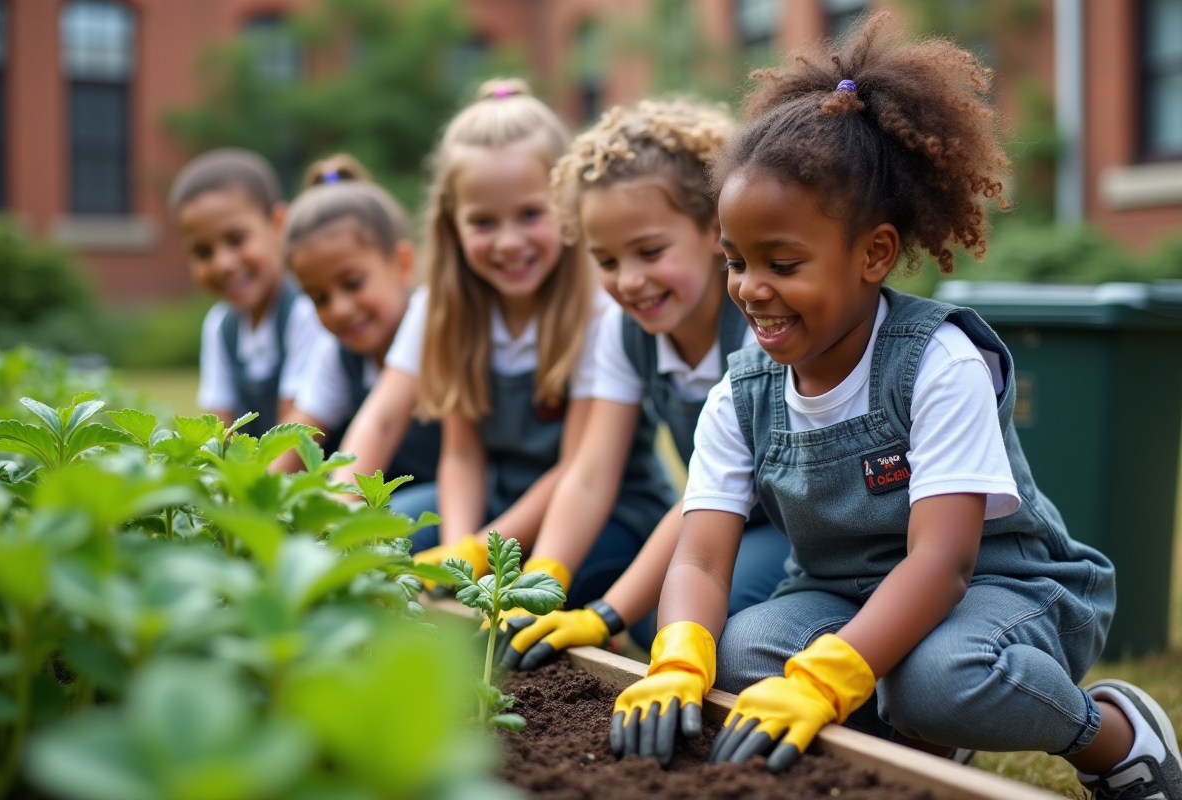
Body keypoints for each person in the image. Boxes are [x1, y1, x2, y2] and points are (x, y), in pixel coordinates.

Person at [609, 14, 1182, 800]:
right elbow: (703, 556)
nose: (749, 288)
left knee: (941, 680)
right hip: (842, 589)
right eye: (736, 261)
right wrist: (676, 658)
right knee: (740, 655)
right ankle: (922, 748)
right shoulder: (742, 392)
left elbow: (942, 564)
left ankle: (1112, 735)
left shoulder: (937, 362)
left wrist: (828, 675)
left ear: (874, 253)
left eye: (783, 262)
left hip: (1001, 587)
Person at [496, 98, 791, 667]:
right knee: (655, 612)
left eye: (650, 252)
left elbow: (705, 490)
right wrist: (540, 582)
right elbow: (589, 474)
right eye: (605, 261)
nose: (629, 282)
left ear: (715, 230)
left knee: (678, 623)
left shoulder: (762, 328)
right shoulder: (625, 332)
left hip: (795, 531)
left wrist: (604, 612)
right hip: (717, 527)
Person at [403, 79, 675, 608]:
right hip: (500, 504)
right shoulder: (451, 309)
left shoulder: (600, 311)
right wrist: (461, 551)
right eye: (483, 222)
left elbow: (577, 469)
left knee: (543, 583)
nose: (509, 242)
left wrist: (484, 547)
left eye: (530, 214)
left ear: (568, 210)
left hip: (604, 509)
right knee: (395, 532)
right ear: (451, 224)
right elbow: (461, 456)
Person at [271, 154, 440, 482]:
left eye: (353, 283)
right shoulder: (338, 356)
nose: (340, 309)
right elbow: (296, 441)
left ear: (402, 264)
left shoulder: (432, 324)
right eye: (319, 298)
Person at [170, 148, 329, 438]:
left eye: (236, 240)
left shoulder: (304, 311)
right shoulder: (220, 326)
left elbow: (295, 438)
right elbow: (218, 433)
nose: (223, 264)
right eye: (203, 252)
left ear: (279, 224)